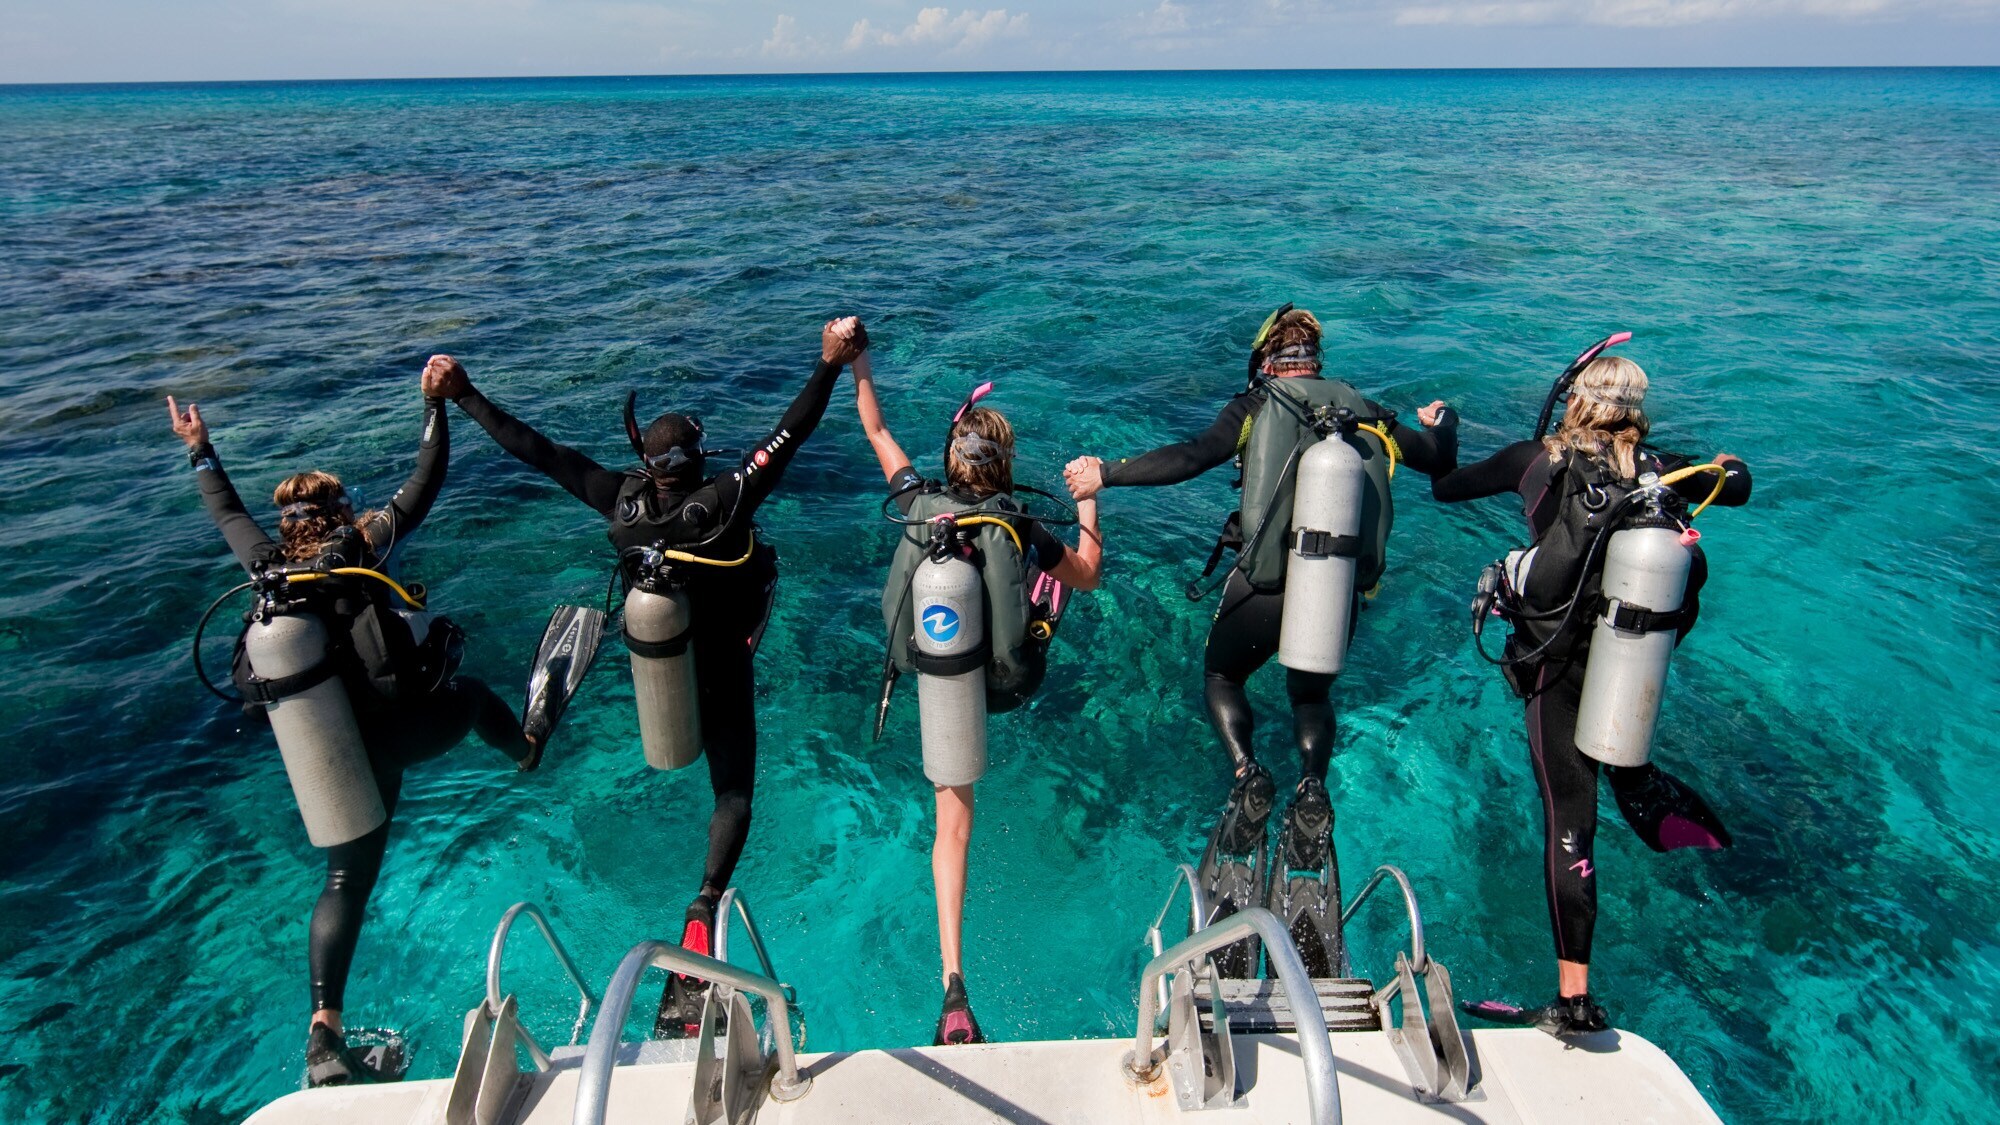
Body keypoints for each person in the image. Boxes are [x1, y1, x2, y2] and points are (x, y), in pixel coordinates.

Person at [422, 318, 867, 1035]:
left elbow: (536, 450)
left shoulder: (616, 500)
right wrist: (828, 364)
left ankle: (532, 735)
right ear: (695, 459)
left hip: (655, 670)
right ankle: (704, 902)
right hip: (722, 663)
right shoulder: (725, 500)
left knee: (615, 644)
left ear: (648, 463)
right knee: (733, 792)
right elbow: (791, 431)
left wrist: (465, 392)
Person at [1063, 306, 1453, 977]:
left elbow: (1191, 456)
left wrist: (1108, 474)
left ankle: (1247, 772)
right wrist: (1441, 425)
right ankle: (1310, 787)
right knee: (1311, 692)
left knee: (1223, 677)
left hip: (1263, 592)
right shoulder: (1365, 411)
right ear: (1316, 358)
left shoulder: (1254, 404)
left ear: (1266, 358)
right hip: (1332, 593)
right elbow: (1439, 465)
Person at [168, 378, 533, 1088]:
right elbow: (425, 480)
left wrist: (201, 450)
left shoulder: (267, 569)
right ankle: (527, 751)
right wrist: (435, 409)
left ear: (287, 525)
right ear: (337, 512)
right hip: (398, 733)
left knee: (344, 879)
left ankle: (324, 1036)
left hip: (330, 753)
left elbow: (225, 512)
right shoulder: (364, 544)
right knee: (474, 696)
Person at [1431, 349, 1750, 1036]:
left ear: (1576, 399)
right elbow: (1740, 483)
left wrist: (1444, 427)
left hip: (1554, 665)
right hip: (1626, 654)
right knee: (1607, 770)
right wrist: (1726, 466)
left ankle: (1573, 1001)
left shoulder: (1535, 460)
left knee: (1569, 821)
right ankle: (1638, 779)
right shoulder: (1662, 473)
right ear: (1636, 409)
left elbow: (1447, 485)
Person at [853, 344, 1102, 1045]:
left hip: (939, 684)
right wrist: (1088, 506)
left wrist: (857, 363)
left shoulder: (913, 501)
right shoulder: (1020, 521)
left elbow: (875, 428)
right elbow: (1089, 572)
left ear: (951, 458)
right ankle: (1027, 607)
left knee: (951, 827)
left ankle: (953, 984)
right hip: (1008, 682)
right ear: (1004, 465)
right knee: (1055, 592)